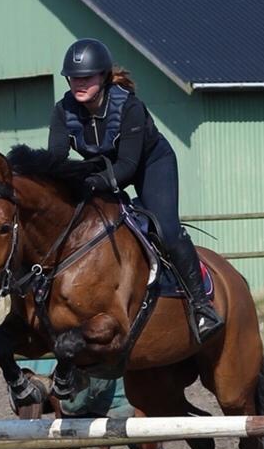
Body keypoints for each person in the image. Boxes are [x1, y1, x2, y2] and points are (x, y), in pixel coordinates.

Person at [47, 38, 224, 344]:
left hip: (149, 165)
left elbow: (127, 166)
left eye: (86, 78)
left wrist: (89, 182)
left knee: (166, 231)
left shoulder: (129, 107)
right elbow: (55, 162)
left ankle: (201, 305)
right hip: (101, 168)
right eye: (74, 78)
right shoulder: (63, 111)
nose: (79, 84)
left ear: (102, 77)